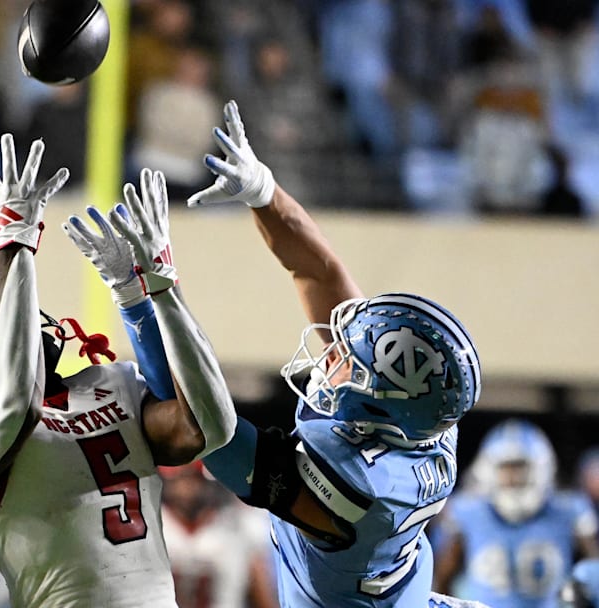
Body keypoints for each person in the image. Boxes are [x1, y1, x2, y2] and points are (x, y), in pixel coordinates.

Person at [68, 99, 487, 607]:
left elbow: (198, 428)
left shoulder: (357, 484)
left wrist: (139, 297)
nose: (332, 356)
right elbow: (318, 272)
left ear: (380, 406)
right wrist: (263, 192)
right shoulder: (425, 418)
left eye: (349, 363)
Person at [0, 134, 239, 606]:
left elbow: (212, 426)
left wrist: (160, 288)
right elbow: (14, 407)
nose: (11, 319)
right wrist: (13, 245)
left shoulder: (109, 384)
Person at [432, 419, 599, 606]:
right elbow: (443, 580)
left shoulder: (568, 510)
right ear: (487, 470)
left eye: (521, 468)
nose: (514, 478)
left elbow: (594, 576)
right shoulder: (467, 512)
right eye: (507, 469)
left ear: (542, 467)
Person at [158, 461, 278, 608]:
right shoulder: (154, 527)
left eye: (193, 478)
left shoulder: (238, 526)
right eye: (180, 479)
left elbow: (262, 596)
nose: (186, 488)